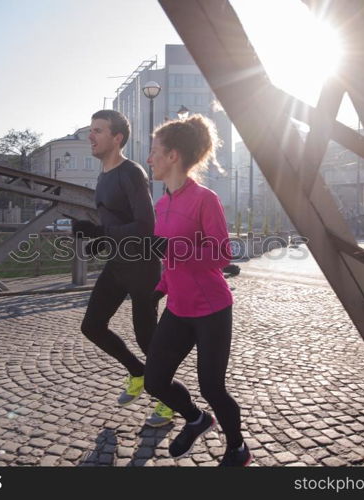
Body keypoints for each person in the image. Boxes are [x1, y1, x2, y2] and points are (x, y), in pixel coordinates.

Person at [144, 114, 251, 466]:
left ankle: (237, 448)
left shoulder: (205, 199)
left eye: (154, 151)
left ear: (173, 155)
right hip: (178, 308)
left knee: (212, 388)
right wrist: (159, 289)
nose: (150, 159)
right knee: (154, 382)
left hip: (211, 309)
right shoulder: (161, 204)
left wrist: (171, 250)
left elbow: (221, 254)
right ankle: (197, 419)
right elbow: (168, 260)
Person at [72, 110, 173, 427]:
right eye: (91, 130)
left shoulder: (131, 172)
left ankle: (168, 404)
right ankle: (137, 372)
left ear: (117, 138)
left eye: (98, 130)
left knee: (148, 340)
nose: (91, 136)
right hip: (118, 264)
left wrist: (101, 234)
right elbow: (118, 221)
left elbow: (146, 225)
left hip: (142, 266)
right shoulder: (103, 176)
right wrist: (99, 240)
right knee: (92, 326)